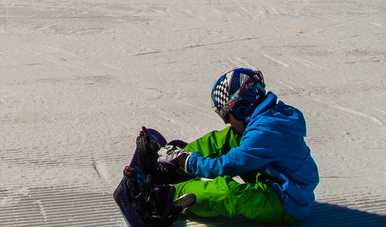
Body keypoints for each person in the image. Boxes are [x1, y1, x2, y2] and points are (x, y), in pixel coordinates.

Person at [120, 68, 318, 225]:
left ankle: (164, 199)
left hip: (286, 204)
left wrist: (186, 161)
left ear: (240, 107)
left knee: (231, 194)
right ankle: (171, 169)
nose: (227, 122)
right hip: (271, 177)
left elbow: (225, 167)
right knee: (231, 137)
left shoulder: (266, 132)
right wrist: (184, 159)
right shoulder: (264, 119)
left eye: (225, 115)